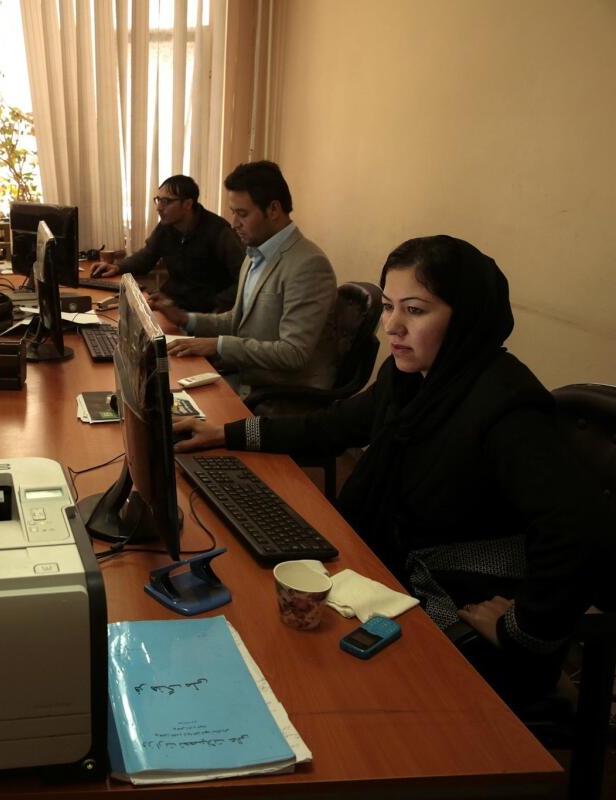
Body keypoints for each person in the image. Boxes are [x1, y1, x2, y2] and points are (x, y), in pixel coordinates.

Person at [173, 235, 611, 707]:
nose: (393, 327)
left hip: (454, 595)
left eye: (416, 311)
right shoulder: (409, 379)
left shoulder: (507, 405)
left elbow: (578, 529)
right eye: (387, 307)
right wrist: (227, 433)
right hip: (393, 567)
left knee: (323, 688)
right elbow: (332, 425)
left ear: (465, 317)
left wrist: (522, 629)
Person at [154, 161, 338, 403]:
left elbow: (294, 353)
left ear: (273, 210)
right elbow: (237, 321)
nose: (234, 223)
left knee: (172, 425)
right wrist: (185, 319)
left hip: (276, 397)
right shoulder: (255, 255)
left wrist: (218, 346)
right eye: (233, 213)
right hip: (244, 378)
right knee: (161, 396)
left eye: (242, 214)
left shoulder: (308, 265)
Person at [90, 175, 244, 312]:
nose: (158, 208)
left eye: (166, 201)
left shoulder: (219, 231)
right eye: (157, 200)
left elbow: (244, 280)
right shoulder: (166, 226)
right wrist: (117, 267)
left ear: (188, 204)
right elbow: (146, 257)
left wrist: (215, 304)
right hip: (172, 304)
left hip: (204, 313)